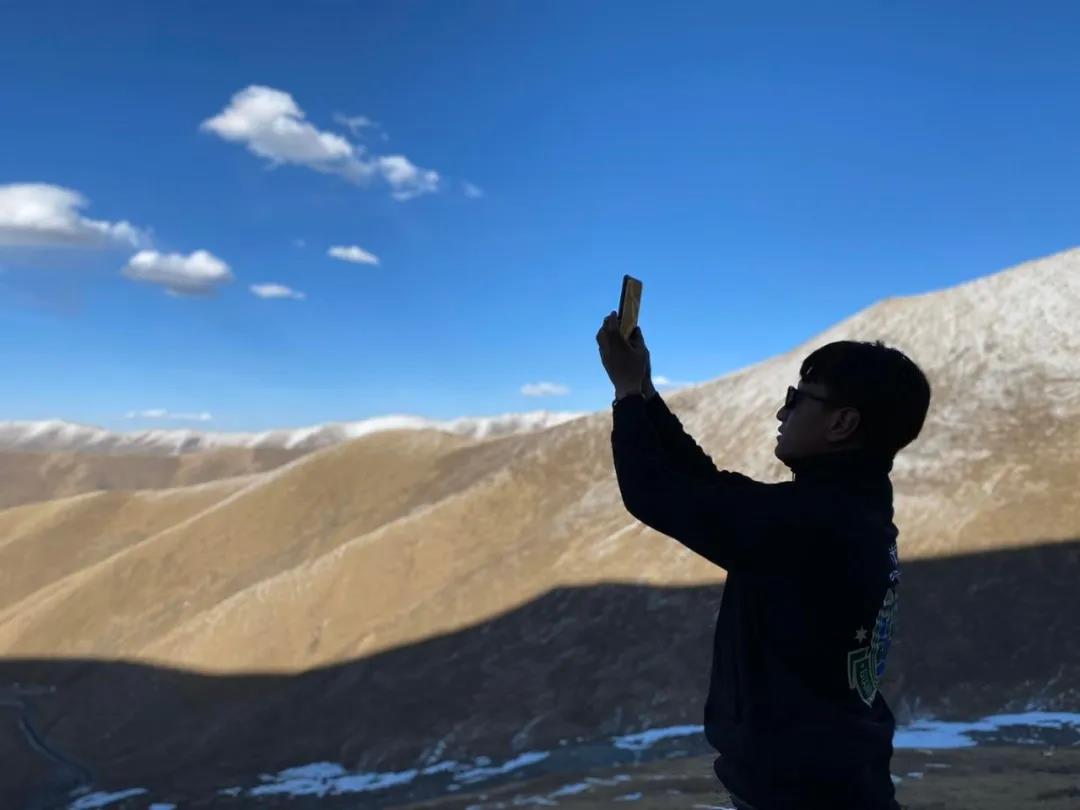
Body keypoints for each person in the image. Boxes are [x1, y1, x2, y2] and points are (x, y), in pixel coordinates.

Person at [596, 311, 931, 810]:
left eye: (797, 399)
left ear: (842, 423)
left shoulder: (810, 524)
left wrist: (626, 393)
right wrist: (644, 391)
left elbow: (656, 492)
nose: (781, 412)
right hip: (839, 785)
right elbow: (707, 486)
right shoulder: (850, 511)